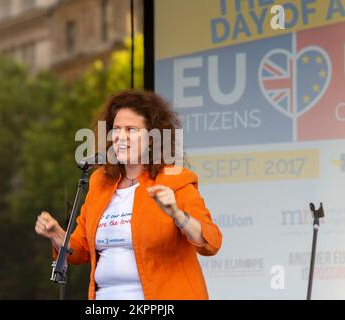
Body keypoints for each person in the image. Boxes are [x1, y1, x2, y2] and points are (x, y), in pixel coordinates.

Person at [35, 90, 222, 300]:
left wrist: (178, 215)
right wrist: (56, 234)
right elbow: (80, 251)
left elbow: (211, 242)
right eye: (116, 129)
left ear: (152, 138)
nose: (121, 137)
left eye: (131, 130)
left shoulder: (175, 180)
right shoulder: (99, 183)